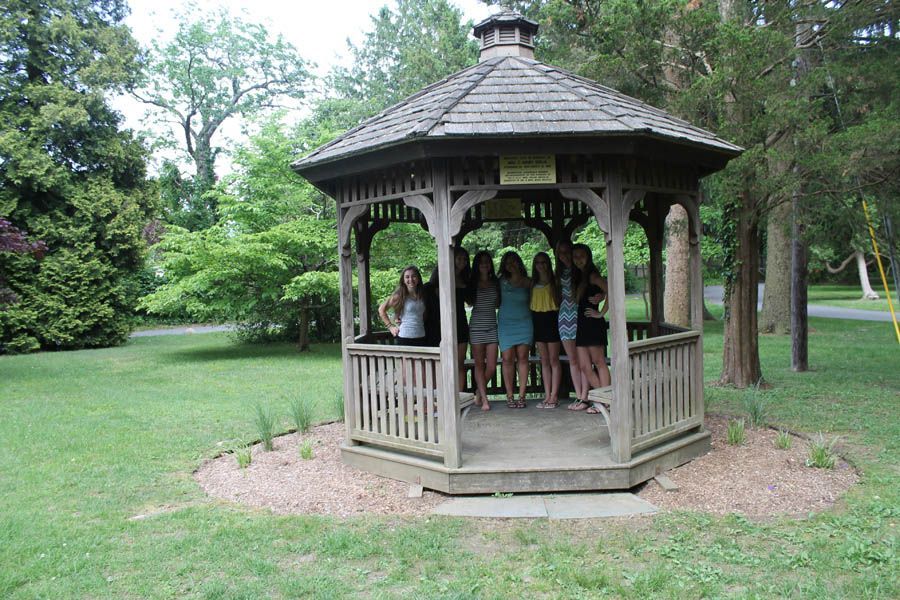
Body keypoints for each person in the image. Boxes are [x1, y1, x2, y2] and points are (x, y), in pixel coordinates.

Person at [569, 244, 611, 414]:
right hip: (582, 326)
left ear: (589, 257)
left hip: (593, 325)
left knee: (599, 363)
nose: (579, 259)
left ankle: (606, 401)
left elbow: (613, 291)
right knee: (586, 367)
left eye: (582, 256)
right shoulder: (579, 277)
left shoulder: (593, 276)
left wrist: (601, 313)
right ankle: (606, 398)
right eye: (575, 256)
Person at [498, 251, 533, 408]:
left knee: (523, 357)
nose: (511, 265)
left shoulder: (528, 282)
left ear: (519, 262)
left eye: (513, 262)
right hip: (506, 324)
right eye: (507, 263)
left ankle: (522, 396)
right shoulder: (500, 282)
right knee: (507, 358)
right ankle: (510, 395)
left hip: (524, 323)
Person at [556, 240, 587, 410]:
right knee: (573, 360)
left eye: (567, 252)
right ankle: (579, 395)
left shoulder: (581, 272)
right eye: (560, 253)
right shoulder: (559, 274)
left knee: (583, 360)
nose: (564, 256)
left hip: (579, 317)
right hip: (564, 317)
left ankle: (585, 396)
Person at [468, 251, 500, 411]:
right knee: (479, 365)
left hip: (492, 327)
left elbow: (499, 303)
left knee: (492, 366)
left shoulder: (496, 282)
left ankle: (478, 392)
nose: (484, 264)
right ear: (477, 265)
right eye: (481, 262)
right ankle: (485, 399)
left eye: (487, 262)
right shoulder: (472, 282)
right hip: (477, 328)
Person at [530, 251, 562, 408]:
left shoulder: (555, 282)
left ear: (548, 264)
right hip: (538, 323)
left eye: (543, 262)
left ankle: (554, 396)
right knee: (544, 361)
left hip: (553, 322)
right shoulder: (532, 284)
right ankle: (547, 394)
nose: (540, 265)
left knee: (554, 360)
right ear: (534, 266)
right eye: (537, 263)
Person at [378, 265, 427, 346]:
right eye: (407, 277)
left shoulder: (423, 295)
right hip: (405, 337)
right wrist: (390, 327)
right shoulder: (399, 295)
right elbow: (381, 309)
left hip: (421, 336)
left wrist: (396, 317)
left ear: (418, 278)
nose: (410, 279)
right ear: (403, 280)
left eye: (413, 276)